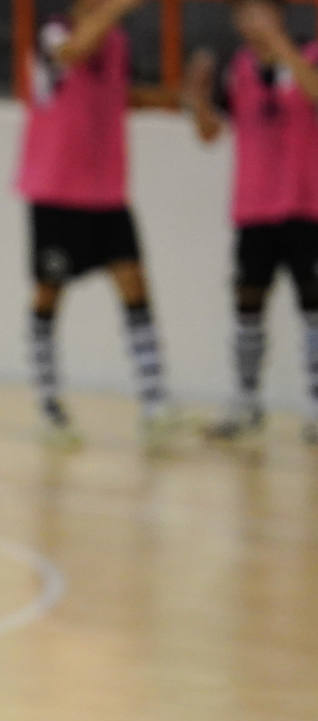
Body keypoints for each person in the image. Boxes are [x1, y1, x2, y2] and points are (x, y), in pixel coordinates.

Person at [16, 0, 180, 447]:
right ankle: (49, 405)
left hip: (106, 191)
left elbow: (114, 95)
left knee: (134, 285)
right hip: (56, 191)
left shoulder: (117, 42)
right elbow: (72, 54)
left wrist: (171, 98)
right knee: (49, 292)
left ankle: (155, 403)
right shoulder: (52, 34)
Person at [185, 0, 318, 443]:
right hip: (254, 208)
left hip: (306, 207)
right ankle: (246, 403)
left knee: (313, 309)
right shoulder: (235, 68)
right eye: (244, 15)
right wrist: (197, 98)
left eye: (261, 12)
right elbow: (209, 133)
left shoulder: (309, 57)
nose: (252, 23)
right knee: (247, 307)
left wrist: (280, 46)